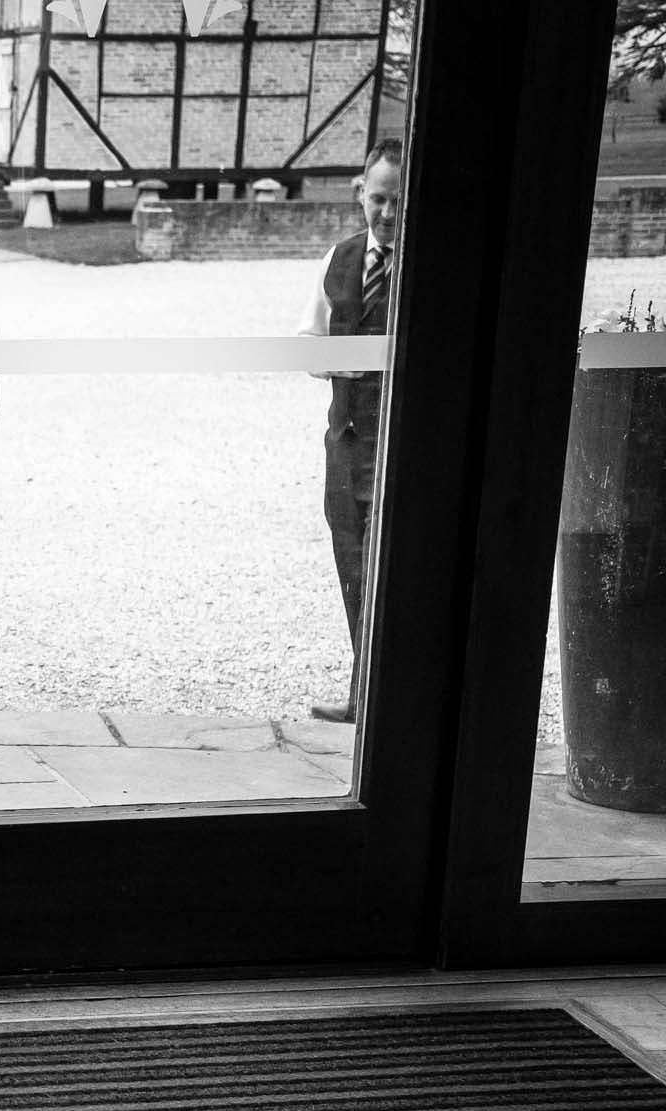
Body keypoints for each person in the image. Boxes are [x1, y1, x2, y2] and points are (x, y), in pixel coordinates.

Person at [296, 138, 403, 725]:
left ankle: (390, 699)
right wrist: (338, 361)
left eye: (398, 202)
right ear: (362, 194)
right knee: (353, 565)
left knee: (395, 571)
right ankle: (369, 691)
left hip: (399, 445)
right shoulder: (338, 258)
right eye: (378, 199)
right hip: (345, 441)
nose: (386, 214)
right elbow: (309, 343)